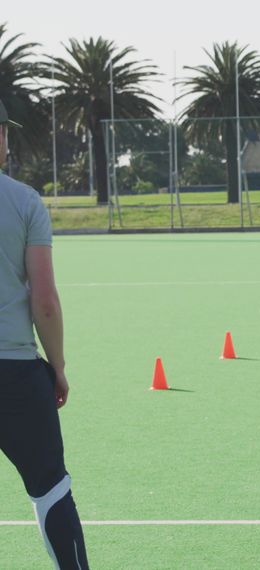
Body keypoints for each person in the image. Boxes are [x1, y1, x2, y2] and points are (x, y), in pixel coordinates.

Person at [0, 100, 91, 568]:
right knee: (51, 487)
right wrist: (57, 367)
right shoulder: (24, 201)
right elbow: (46, 301)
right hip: (16, 375)